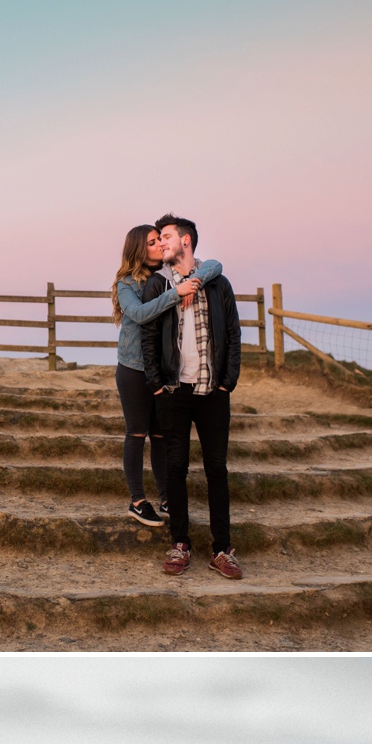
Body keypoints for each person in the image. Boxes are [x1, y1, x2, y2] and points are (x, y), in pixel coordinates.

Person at [140, 213, 243, 578]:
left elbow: (232, 332)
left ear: (186, 240)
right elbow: (148, 338)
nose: (161, 243)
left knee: (217, 469)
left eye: (166, 236)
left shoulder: (217, 283)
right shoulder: (158, 285)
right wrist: (156, 382)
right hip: (173, 390)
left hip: (213, 390)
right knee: (176, 467)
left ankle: (222, 550)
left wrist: (229, 381)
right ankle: (180, 543)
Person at [112, 226, 221, 526]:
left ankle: (166, 498)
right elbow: (140, 314)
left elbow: (215, 265)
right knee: (137, 433)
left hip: (161, 371)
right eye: (152, 242)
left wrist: (193, 282)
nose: (160, 245)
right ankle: (137, 501)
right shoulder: (127, 283)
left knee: (160, 435)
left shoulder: (168, 276)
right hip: (133, 369)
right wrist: (177, 294)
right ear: (139, 248)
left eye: (161, 239)